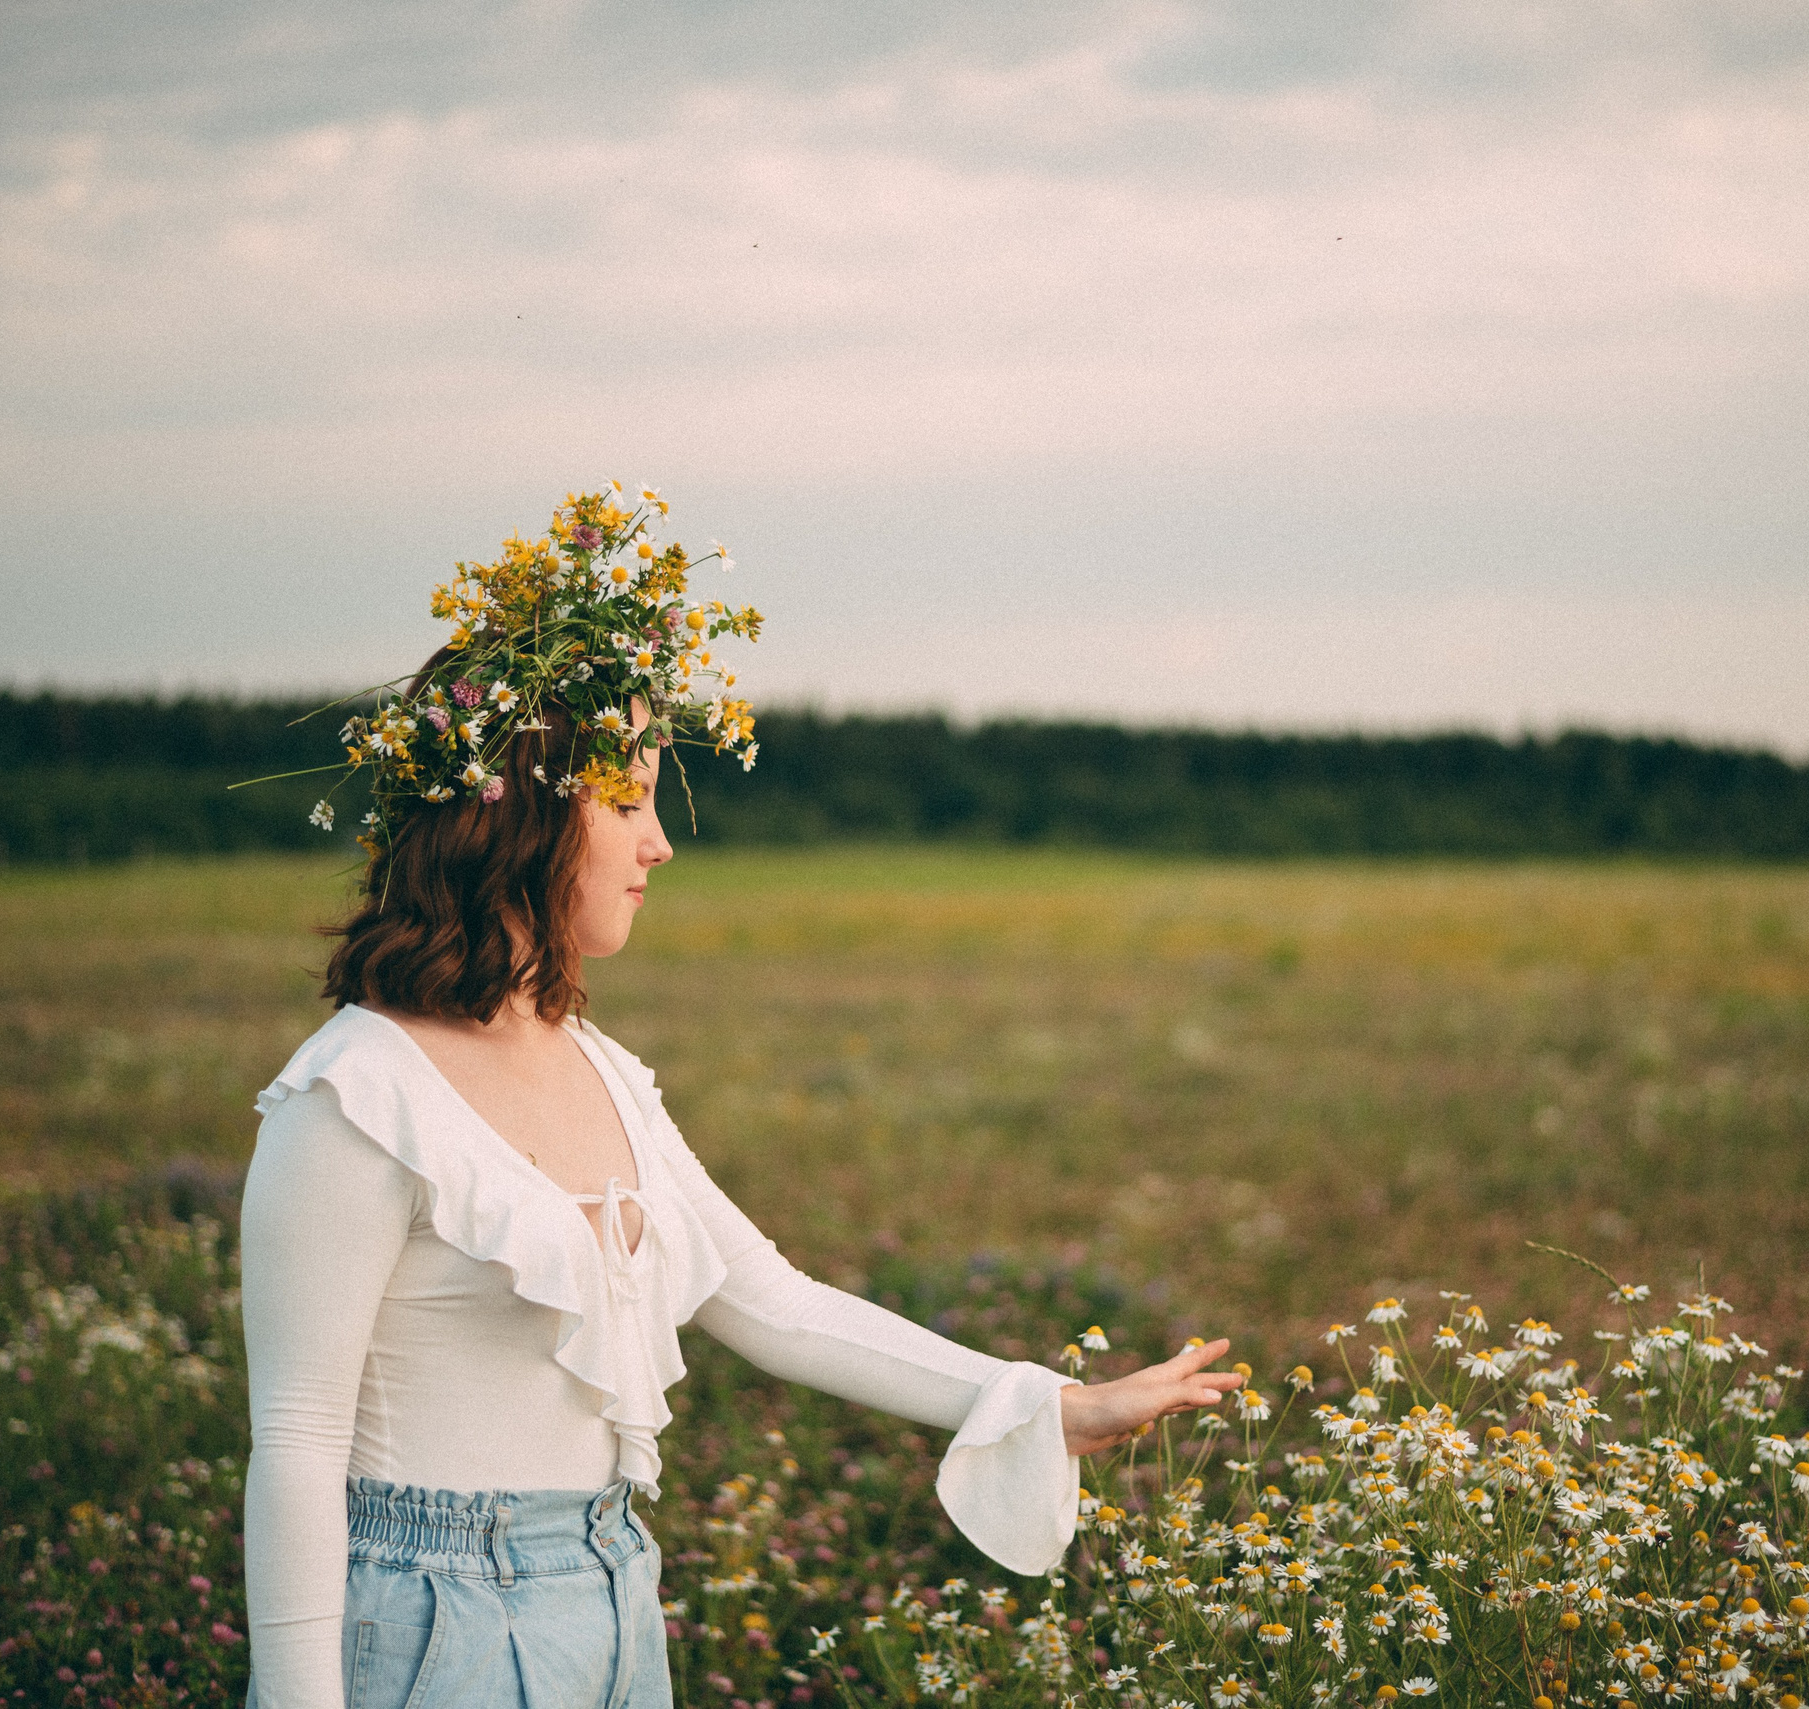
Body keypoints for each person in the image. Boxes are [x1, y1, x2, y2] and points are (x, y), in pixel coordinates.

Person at [238, 487, 1242, 1709]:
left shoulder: (598, 1066)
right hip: (428, 1625)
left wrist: (1044, 1402)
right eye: (627, 802)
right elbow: (295, 1450)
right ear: (516, 818)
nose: (659, 843)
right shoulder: (354, 1093)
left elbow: (771, 1300)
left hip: (612, 1594)